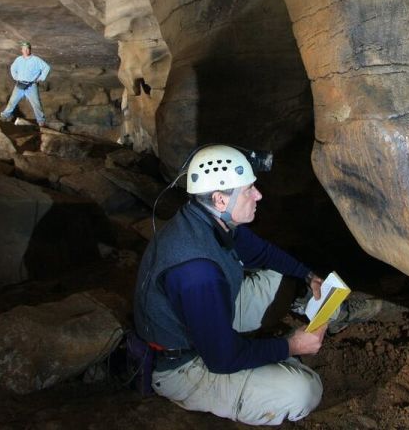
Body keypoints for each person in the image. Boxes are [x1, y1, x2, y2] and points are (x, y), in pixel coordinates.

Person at [133, 145, 383, 426]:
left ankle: (286, 338)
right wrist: (290, 346)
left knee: (280, 277)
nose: (258, 195)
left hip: (203, 318)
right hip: (184, 364)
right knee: (305, 390)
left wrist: (307, 275)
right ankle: (273, 361)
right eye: (249, 189)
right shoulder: (197, 271)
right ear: (219, 199)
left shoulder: (209, 219)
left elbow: (263, 253)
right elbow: (221, 359)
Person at [0, 41, 51, 126]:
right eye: (24, 49)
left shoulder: (36, 59)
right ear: (21, 50)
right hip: (19, 84)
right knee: (12, 101)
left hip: (31, 85)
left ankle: (41, 121)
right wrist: (15, 77)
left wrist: (40, 78)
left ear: (30, 49)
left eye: (28, 49)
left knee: (36, 104)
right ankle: (4, 116)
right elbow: (13, 68)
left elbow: (47, 67)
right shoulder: (18, 59)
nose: (26, 50)